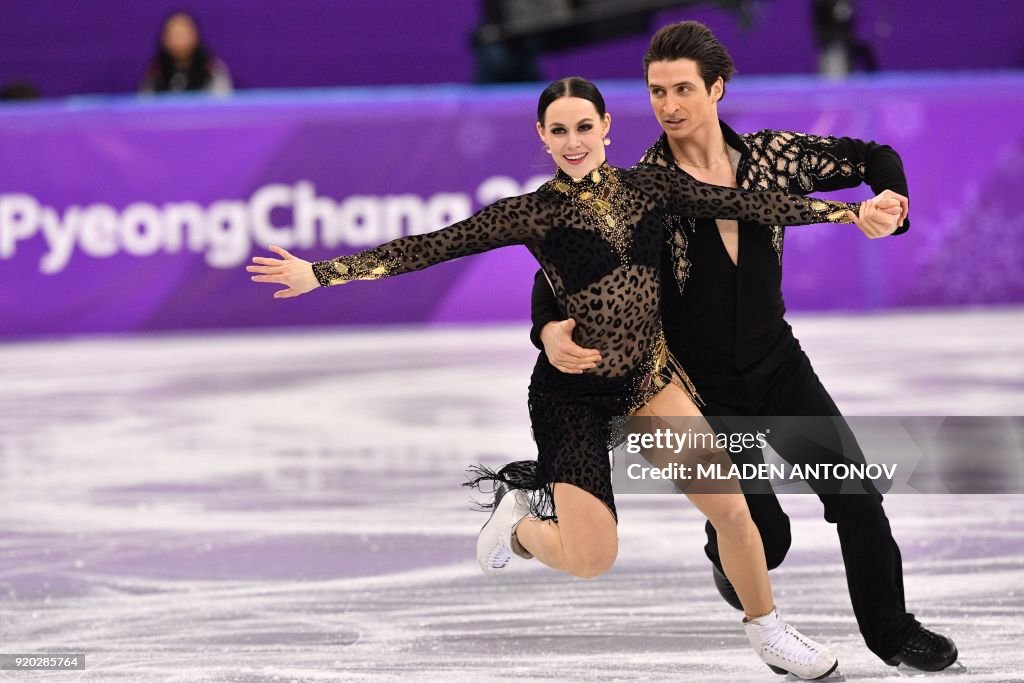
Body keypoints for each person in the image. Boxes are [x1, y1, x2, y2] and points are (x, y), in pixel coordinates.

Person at [247, 77, 895, 679]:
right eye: (559, 131)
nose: (574, 141)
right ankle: (519, 520)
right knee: (592, 556)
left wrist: (845, 215)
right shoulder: (530, 214)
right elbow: (428, 247)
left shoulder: (649, 188)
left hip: (647, 382)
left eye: (584, 125)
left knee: (732, 507)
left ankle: (768, 631)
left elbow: (747, 203)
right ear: (542, 138)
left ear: (606, 126)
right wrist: (321, 274)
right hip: (573, 397)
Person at [529, 21, 957, 673]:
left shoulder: (774, 160)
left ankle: (893, 631)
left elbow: (872, 156)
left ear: (717, 88)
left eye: (681, 89)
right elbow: (557, 271)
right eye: (655, 92)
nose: (668, 106)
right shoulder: (643, 188)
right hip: (698, 389)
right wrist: (549, 328)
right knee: (767, 536)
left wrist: (889, 200)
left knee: (856, 494)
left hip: (778, 366)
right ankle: (723, 544)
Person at [140, 11, 232, 94]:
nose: (179, 40)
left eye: (184, 34)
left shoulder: (212, 69)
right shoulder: (155, 72)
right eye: (174, 35)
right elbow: (145, 106)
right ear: (164, 39)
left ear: (195, 36)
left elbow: (221, 104)